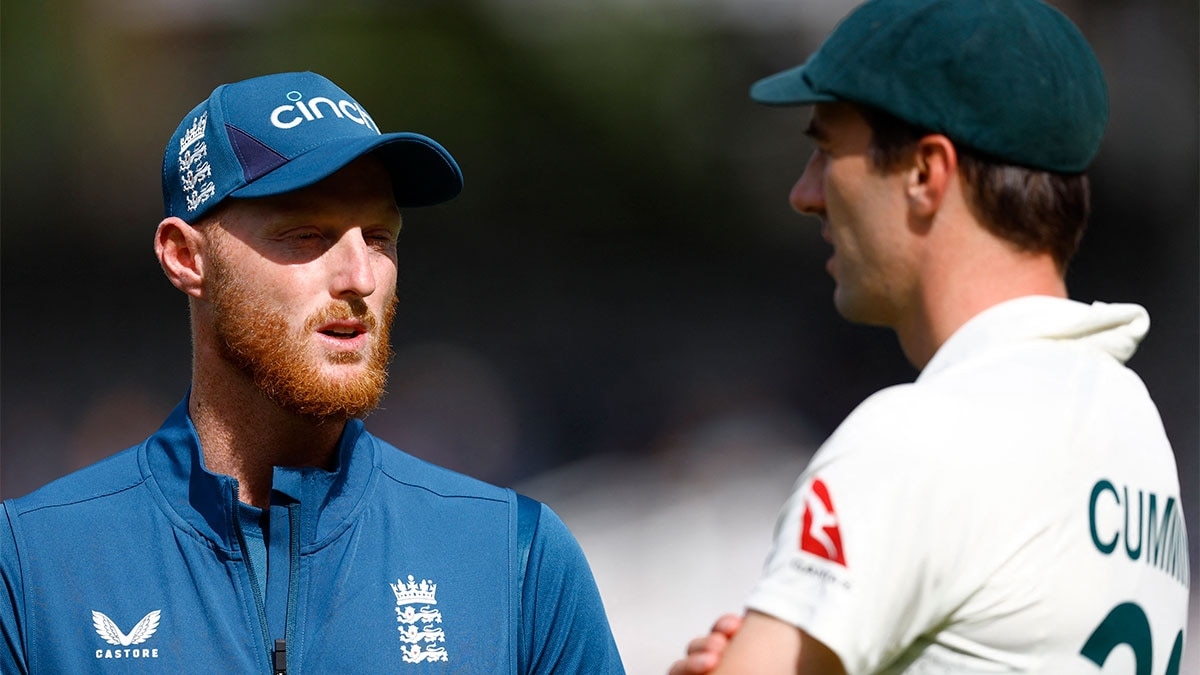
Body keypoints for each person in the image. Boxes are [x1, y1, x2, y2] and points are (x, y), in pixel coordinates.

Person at [0, 71, 625, 674]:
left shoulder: (514, 558)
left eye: (380, 236)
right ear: (187, 257)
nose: (361, 278)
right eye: (306, 235)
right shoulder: (32, 566)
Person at [670, 0, 1190, 673]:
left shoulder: (915, 441)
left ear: (925, 173)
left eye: (827, 150)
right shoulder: (1132, 429)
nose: (805, 193)